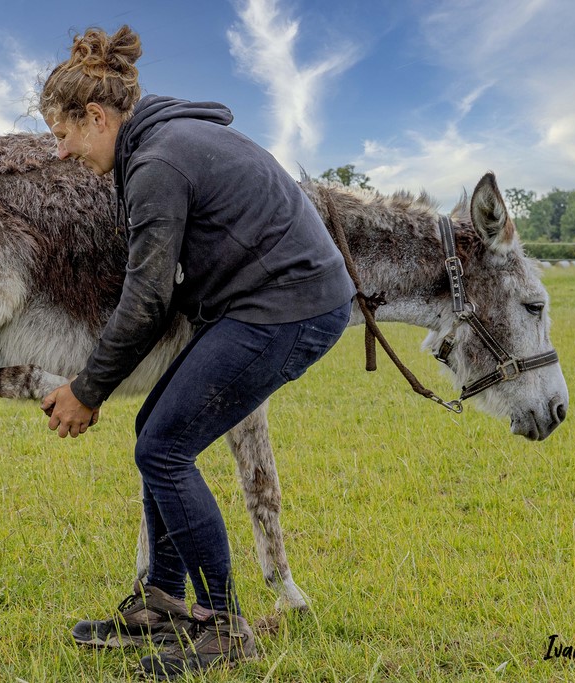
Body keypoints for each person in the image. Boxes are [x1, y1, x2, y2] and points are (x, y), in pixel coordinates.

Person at [38, 25, 355, 679]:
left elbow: (146, 299)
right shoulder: (163, 143)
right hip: (272, 299)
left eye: (63, 135)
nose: (61, 152)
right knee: (158, 431)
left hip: (289, 308)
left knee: (163, 447)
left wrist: (87, 389)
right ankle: (161, 604)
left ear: (96, 117)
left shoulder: (157, 163)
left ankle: (223, 629)